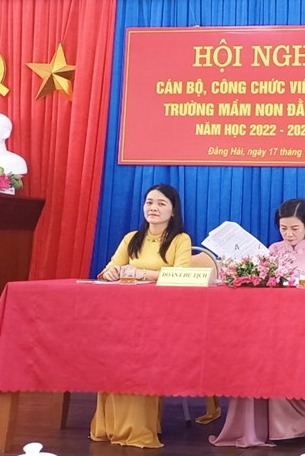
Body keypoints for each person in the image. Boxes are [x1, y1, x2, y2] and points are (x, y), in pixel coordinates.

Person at [209, 198, 305, 448]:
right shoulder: (273, 250)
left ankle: (295, 427)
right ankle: (263, 425)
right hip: (273, 324)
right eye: (284, 228)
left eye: (294, 228)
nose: (289, 234)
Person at [90, 184, 192, 448]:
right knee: (114, 354)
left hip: (161, 318)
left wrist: (143, 274)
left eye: (161, 203)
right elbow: (108, 270)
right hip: (125, 315)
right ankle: (110, 426)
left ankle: (140, 426)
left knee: (140, 359)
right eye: (149, 202)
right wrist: (112, 273)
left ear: (173, 210)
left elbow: (184, 275)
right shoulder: (131, 238)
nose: (153, 208)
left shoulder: (180, 239)